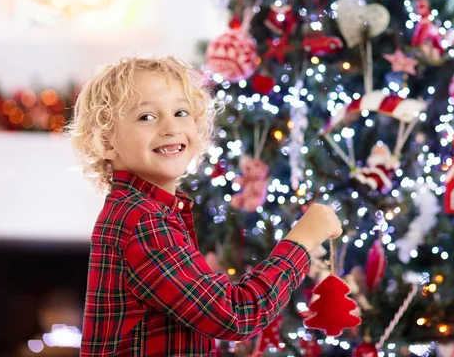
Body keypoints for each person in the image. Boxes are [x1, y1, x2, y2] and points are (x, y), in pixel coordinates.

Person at [67, 56, 342, 356]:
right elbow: (235, 315)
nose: (171, 127)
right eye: (147, 117)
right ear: (106, 141)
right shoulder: (142, 220)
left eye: (181, 112)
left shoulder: (149, 211)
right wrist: (302, 240)